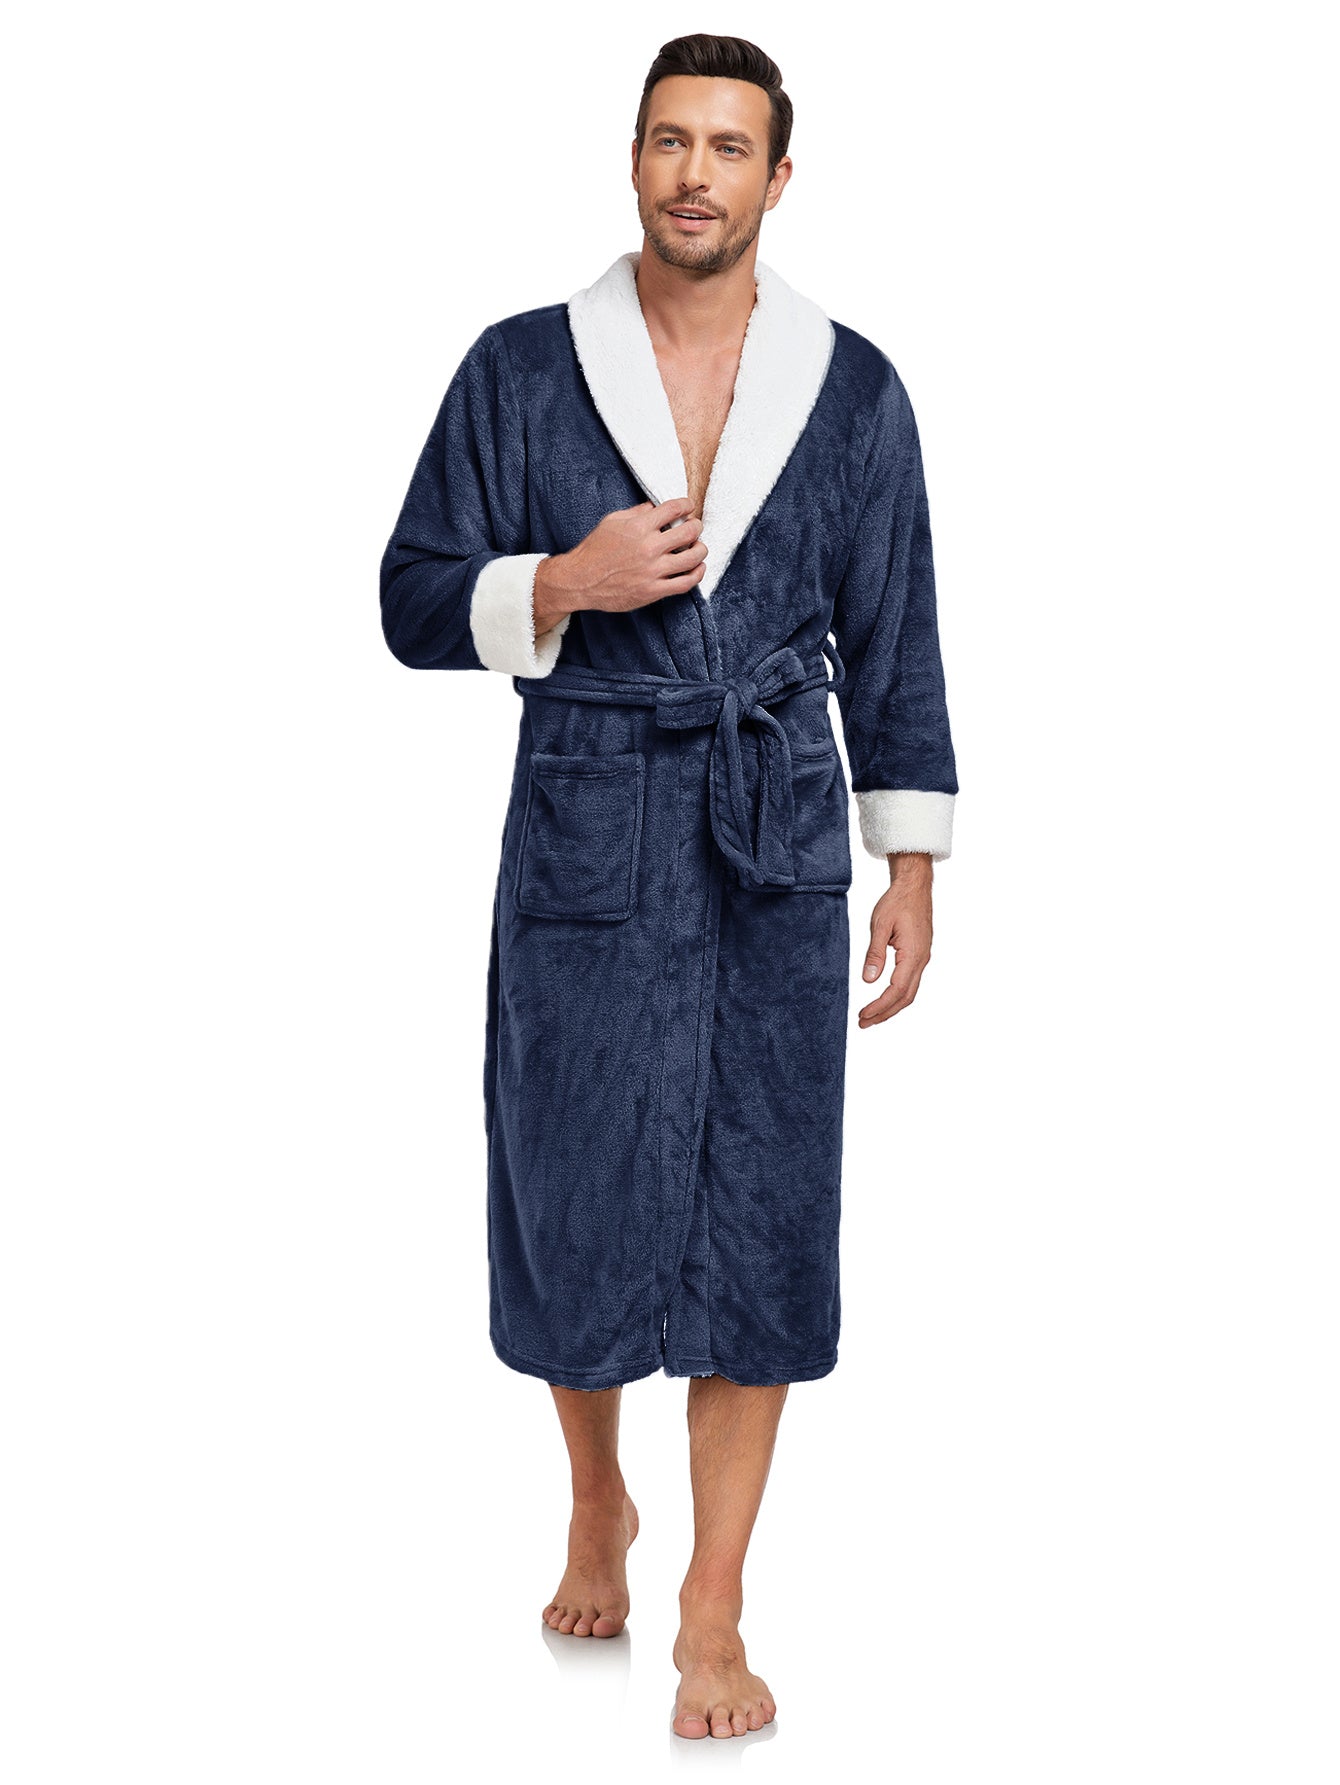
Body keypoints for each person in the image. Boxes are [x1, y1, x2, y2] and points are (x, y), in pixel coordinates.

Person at [378, 31, 959, 1741]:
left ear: (780, 177)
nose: (694, 173)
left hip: (772, 828)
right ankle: (595, 1497)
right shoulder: (518, 370)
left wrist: (911, 857)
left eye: (727, 146)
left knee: (763, 1204)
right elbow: (408, 595)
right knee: (572, 1185)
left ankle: (714, 1601)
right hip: (588, 812)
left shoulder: (853, 391)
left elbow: (898, 633)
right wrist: (560, 579)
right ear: (632, 161)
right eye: (667, 141)